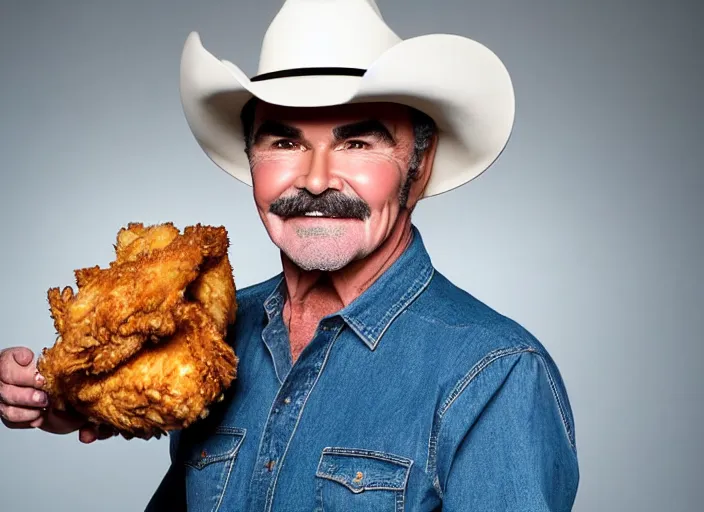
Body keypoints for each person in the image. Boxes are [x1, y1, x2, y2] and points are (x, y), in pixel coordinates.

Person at [0, 0, 579, 510]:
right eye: (285, 141)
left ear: (418, 168)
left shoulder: (496, 375)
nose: (318, 179)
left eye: (357, 142)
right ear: (251, 159)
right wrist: (72, 395)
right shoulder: (207, 333)